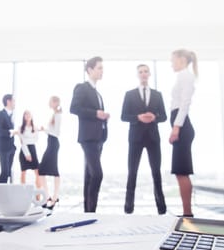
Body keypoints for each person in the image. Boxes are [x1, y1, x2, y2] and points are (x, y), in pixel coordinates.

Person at [121, 64, 167, 214]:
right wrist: (138, 117)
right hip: (135, 138)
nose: (143, 74)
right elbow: (123, 116)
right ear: (137, 75)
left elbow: (164, 117)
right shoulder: (129, 94)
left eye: (146, 71)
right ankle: (128, 209)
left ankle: (162, 209)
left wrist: (155, 117)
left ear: (149, 74)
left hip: (153, 137)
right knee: (132, 172)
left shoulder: (157, 94)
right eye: (140, 72)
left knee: (156, 172)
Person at [70, 56, 110, 213]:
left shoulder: (96, 93)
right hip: (88, 138)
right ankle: (91, 211)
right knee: (97, 174)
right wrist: (96, 113)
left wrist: (103, 117)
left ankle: (87, 213)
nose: (102, 71)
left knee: (89, 175)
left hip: (98, 137)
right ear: (90, 70)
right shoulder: (82, 87)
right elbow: (74, 108)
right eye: (99, 68)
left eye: (102, 68)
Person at [169, 49, 198, 217]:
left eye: (173, 60)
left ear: (181, 59)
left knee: (182, 171)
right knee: (181, 171)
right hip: (181, 125)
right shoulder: (182, 76)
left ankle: (188, 212)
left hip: (182, 127)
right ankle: (187, 211)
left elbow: (185, 103)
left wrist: (176, 127)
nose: (171, 63)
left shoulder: (186, 76)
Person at [38, 96, 62, 210]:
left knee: (46, 169)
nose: (49, 103)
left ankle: (53, 197)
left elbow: (56, 132)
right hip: (51, 143)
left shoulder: (58, 115)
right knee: (43, 170)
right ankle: (50, 197)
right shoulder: (54, 114)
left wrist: (44, 130)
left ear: (55, 102)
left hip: (53, 143)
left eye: (50, 101)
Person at [0, 94, 16, 185]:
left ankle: (2, 196)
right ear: (8, 101)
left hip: (10, 148)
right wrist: (10, 132)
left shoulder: (10, 115)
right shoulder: (0, 114)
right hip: (3, 149)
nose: (15, 103)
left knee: (7, 173)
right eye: (13, 101)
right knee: (5, 172)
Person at [18, 110, 40, 188]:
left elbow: (36, 139)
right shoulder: (20, 128)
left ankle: (38, 196)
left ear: (32, 116)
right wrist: (27, 154)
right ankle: (23, 193)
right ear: (23, 117)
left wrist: (27, 140)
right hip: (24, 150)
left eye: (29, 114)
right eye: (26, 115)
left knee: (37, 172)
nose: (27, 116)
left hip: (33, 149)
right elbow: (22, 142)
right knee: (23, 172)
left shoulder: (35, 127)